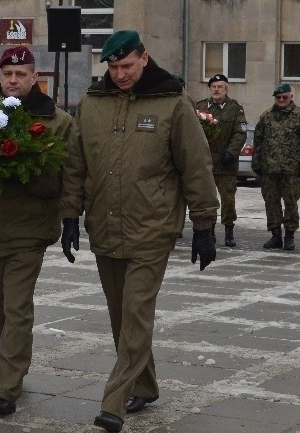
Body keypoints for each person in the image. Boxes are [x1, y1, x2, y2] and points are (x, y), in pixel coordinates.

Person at [59, 30, 219, 432]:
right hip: (105, 226)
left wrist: (204, 224)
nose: (120, 74)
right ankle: (145, 385)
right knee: (120, 317)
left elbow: (195, 165)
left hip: (153, 228)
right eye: (112, 67)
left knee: (135, 315)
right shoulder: (91, 104)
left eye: (126, 65)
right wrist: (69, 217)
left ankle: (113, 402)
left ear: (144, 58)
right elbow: (77, 165)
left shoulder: (172, 103)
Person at [0, 46, 72, 415]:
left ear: (34, 77)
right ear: (1, 77)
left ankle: (4, 387)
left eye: (21, 74)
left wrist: (71, 216)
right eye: (8, 74)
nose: (14, 80)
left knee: (16, 309)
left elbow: (66, 178)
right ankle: (14, 362)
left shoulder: (56, 121)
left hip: (29, 232)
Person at [252, 83, 300, 251]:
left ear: (291, 97)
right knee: (271, 203)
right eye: (278, 97)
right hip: (269, 169)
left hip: (291, 170)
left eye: (284, 97)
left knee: (291, 203)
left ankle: (290, 236)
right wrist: (257, 165)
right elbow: (258, 141)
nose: (281, 100)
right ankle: (275, 235)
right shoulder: (267, 116)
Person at [196, 74, 248, 247]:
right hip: (206, 163)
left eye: (220, 87)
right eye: (213, 87)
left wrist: (231, 152)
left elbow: (240, 132)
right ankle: (209, 231)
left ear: (226, 89)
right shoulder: (201, 107)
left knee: (228, 199)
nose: (216, 90)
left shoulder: (235, 108)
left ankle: (228, 231)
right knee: (207, 200)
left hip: (226, 164)